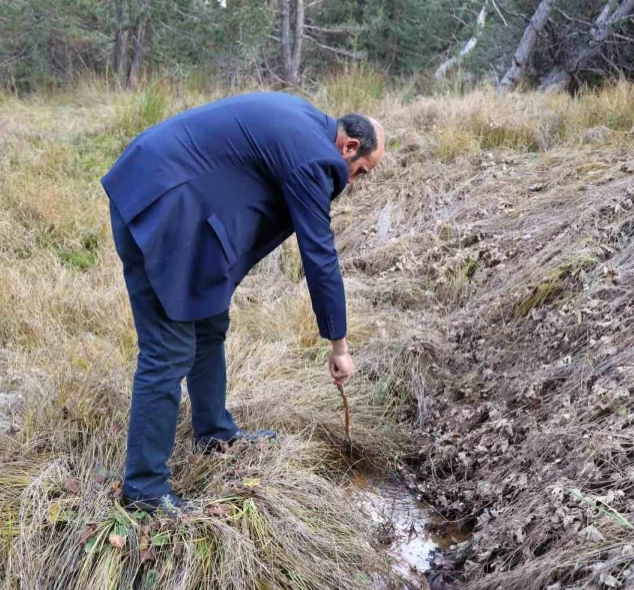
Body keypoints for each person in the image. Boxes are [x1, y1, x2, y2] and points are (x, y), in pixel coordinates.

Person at [102, 92, 385, 514]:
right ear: (347, 147)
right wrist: (339, 345)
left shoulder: (306, 122)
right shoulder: (315, 159)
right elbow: (319, 256)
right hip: (160, 205)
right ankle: (143, 487)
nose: (352, 183)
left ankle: (215, 433)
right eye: (359, 172)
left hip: (175, 199)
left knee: (210, 322)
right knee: (168, 349)